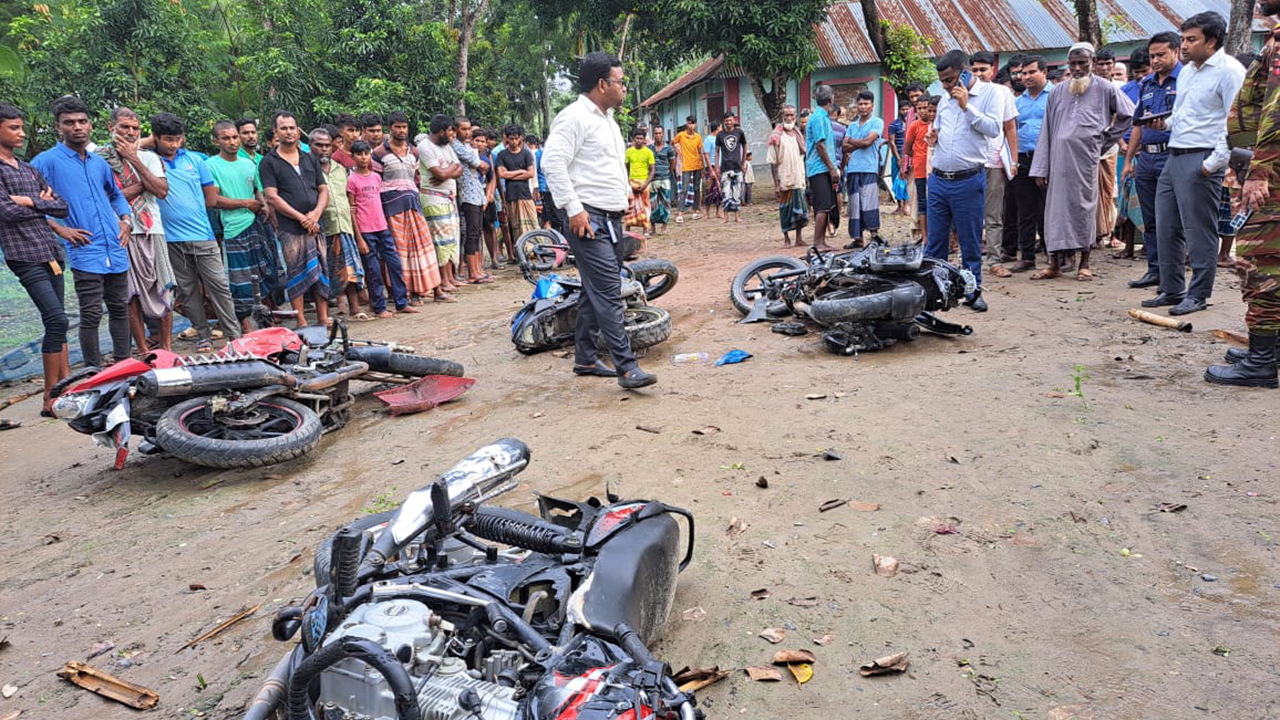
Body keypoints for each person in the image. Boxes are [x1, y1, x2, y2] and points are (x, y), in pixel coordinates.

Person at [542, 51, 657, 390]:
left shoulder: (606, 120)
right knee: (609, 292)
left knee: (594, 292)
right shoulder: (574, 117)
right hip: (588, 218)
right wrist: (574, 209)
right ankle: (627, 367)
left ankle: (586, 357)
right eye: (621, 82)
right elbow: (552, 163)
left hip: (611, 218)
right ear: (603, 83)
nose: (625, 89)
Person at [1140, 13, 1246, 315]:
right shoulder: (1188, 72)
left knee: (1200, 230)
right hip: (1174, 155)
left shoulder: (1230, 71)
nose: (1183, 46)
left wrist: (1212, 164)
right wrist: (1165, 124)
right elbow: (1185, 114)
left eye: (1191, 40)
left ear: (1211, 41)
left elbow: (1234, 123)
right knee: (1166, 225)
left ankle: (1198, 294)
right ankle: (1171, 289)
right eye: (1183, 39)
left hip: (1201, 157)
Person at [1208, 0, 1280, 386]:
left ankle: (1261, 362)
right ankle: (1272, 348)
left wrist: (1260, 169)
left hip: (1272, 176)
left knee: (1260, 263)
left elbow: (1276, 110)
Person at [32, 96, 133, 367]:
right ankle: (93, 371)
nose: (77, 127)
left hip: (115, 246)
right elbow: (33, 204)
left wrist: (126, 221)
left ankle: (125, 364)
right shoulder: (46, 162)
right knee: (90, 313)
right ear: (58, 127)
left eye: (82, 121)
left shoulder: (99, 162)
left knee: (120, 309)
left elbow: (116, 195)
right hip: (85, 248)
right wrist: (60, 230)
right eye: (69, 123)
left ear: (90, 125)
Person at [1029, 43, 1134, 281]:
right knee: (1054, 211)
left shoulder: (1106, 88)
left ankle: (1084, 263)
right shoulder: (1057, 91)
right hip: (1057, 160)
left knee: (1084, 208)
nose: (1077, 68)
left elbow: (1129, 114)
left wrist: (1104, 141)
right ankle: (1054, 263)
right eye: (1073, 63)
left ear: (1093, 62)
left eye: (1082, 63)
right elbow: (1046, 130)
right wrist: (1041, 167)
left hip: (1086, 160)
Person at [0, 102, 71, 415]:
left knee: (57, 322)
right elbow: (5, 212)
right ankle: (49, 397)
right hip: (23, 254)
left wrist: (30, 200)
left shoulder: (28, 169)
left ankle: (67, 387)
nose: (21, 133)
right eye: (14, 128)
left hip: (50, 251)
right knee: (57, 319)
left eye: (21, 127)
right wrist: (40, 204)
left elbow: (62, 206)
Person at [148, 112, 240, 351]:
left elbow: (211, 198)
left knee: (219, 286)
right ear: (155, 137)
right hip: (171, 240)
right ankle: (203, 334)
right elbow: (114, 151)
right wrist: (147, 142)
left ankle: (234, 335)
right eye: (168, 139)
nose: (174, 144)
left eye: (178, 138)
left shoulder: (195, 160)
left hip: (202, 236)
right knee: (188, 291)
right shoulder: (147, 160)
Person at [926, 50, 1004, 311]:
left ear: (966, 71)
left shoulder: (991, 94)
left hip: (968, 180)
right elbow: (937, 128)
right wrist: (933, 138)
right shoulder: (944, 101)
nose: (946, 86)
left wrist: (966, 106)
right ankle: (934, 291)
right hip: (938, 180)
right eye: (943, 82)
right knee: (935, 241)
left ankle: (973, 291)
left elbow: (994, 129)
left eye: (950, 80)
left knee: (970, 240)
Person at [97, 106, 175, 353]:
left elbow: (161, 191)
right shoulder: (99, 159)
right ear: (111, 128)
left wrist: (133, 159)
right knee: (129, 294)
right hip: (120, 231)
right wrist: (143, 185)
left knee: (164, 286)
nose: (130, 132)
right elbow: (104, 198)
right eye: (124, 127)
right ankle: (143, 350)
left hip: (153, 229)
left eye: (135, 128)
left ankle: (167, 348)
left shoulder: (150, 157)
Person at [206, 119, 280, 332]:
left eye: (234, 137)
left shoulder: (249, 163)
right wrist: (246, 203)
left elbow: (257, 190)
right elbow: (214, 200)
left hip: (257, 225)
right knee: (240, 281)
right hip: (233, 229)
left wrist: (263, 205)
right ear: (216, 141)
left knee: (267, 272)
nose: (232, 142)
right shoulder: (211, 166)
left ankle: (266, 319)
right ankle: (245, 325)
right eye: (226, 138)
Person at [259, 111, 330, 328]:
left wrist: (316, 214)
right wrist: (301, 217)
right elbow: (272, 196)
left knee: (320, 269)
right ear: (276, 132)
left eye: (292, 128)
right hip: (290, 227)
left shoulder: (309, 158)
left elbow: (323, 189)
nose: (289, 132)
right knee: (296, 271)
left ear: (298, 131)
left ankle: (322, 316)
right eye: (284, 128)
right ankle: (300, 319)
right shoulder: (269, 162)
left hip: (315, 224)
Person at [1124, 33, 1181, 288]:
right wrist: (1128, 161)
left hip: (1173, 155)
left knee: (1171, 219)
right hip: (1146, 157)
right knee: (1150, 219)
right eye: (1152, 56)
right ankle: (1155, 269)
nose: (1156, 60)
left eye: (1161, 55)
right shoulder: (1146, 84)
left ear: (1176, 52)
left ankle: (1173, 277)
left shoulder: (1186, 80)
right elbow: (1137, 124)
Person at [375, 111, 449, 302]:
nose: (401, 130)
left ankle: (431, 289)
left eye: (404, 126)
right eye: (397, 126)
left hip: (413, 205)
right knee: (400, 251)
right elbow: (376, 183)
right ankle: (404, 293)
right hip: (391, 208)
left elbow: (416, 180)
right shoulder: (379, 153)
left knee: (423, 247)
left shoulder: (414, 152)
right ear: (390, 128)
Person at [347, 140, 411, 319]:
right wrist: (359, 237)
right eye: (359, 154)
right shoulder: (352, 180)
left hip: (382, 227)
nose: (363, 157)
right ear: (353, 157)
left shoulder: (376, 177)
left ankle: (401, 302)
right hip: (366, 230)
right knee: (373, 270)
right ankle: (379, 307)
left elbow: (379, 203)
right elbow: (352, 209)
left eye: (366, 153)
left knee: (395, 264)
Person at [970, 51, 1020, 277]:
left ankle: (994, 260)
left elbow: (1010, 127)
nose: (979, 74)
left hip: (995, 160)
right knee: (969, 214)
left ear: (992, 70)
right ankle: (968, 259)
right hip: (969, 162)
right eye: (975, 70)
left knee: (994, 214)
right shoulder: (965, 94)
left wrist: (1014, 159)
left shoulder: (1002, 93)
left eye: (983, 69)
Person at [312, 128, 366, 320]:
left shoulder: (340, 169)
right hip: (322, 228)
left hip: (344, 225)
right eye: (319, 145)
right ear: (311, 147)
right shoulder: (308, 169)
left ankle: (355, 308)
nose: (324, 149)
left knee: (349, 270)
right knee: (325, 272)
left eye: (327, 145)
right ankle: (325, 315)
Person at [1007, 56, 1052, 273]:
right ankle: (1027, 256)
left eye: (1031, 72)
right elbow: (1011, 130)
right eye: (1023, 73)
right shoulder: (1018, 102)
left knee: (1050, 208)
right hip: (1023, 158)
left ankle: (1055, 255)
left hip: (1049, 158)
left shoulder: (1056, 97)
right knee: (1025, 210)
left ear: (1044, 72)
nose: (1025, 77)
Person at [418, 114, 465, 291]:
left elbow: (457, 169)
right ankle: (442, 281)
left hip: (448, 197)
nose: (452, 135)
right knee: (441, 240)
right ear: (441, 131)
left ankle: (451, 277)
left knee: (452, 238)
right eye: (450, 131)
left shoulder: (446, 146)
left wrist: (447, 172)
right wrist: (447, 172)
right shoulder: (425, 147)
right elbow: (441, 174)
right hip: (434, 198)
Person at [452, 116, 492, 284]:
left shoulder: (466, 146)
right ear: (455, 130)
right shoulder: (456, 146)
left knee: (475, 232)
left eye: (469, 129)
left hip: (476, 192)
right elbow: (479, 163)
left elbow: (485, 167)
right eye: (464, 129)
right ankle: (473, 272)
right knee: (472, 233)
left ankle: (477, 269)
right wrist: (478, 163)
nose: (467, 132)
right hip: (467, 194)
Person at [841, 90, 884, 248]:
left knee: (869, 202)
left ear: (872, 106)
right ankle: (858, 239)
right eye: (860, 104)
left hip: (869, 169)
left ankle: (874, 237)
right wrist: (858, 142)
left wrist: (851, 140)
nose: (863, 107)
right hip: (852, 169)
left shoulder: (877, 122)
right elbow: (844, 148)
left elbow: (868, 142)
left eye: (866, 103)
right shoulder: (852, 125)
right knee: (854, 204)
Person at [767, 104, 807, 247]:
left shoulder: (798, 135)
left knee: (800, 210)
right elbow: (772, 162)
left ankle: (799, 238)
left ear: (795, 117)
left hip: (798, 177)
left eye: (792, 115)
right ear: (782, 117)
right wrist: (777, 184)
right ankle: (786, 239)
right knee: (785, 210)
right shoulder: (776, 137)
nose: (789, 118)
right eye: (786, 115)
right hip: (784, 178)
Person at [496, 124, 539, 260]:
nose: (514, 141)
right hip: (511, 196)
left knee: (531, 223)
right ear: (506, 139)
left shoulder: (526, 153)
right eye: (510, 139)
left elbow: (530, 173)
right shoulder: (502, 154)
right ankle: (520, 253)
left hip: (525, 195)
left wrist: (513, 174)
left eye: (516, 138)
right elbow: (502, 174)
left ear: (520, 138)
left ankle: (532, 251)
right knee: (515, 226)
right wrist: (521, 171)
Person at [806, 84, 840, 250]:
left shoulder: (822, 117)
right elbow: (820, 145)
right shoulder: (819, 118)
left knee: (826, 206)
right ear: (831, 99)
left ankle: (821, 241)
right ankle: (818, 242)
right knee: (822, 206)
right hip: (819, 168)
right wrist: (832, 168)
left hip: (823, 167)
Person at [903, 96, 936, 242]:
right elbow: (907, 148)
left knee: (936, 203)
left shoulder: (936, 125)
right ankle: (925, 237)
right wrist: (918, 156)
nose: (923, 112)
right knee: (922, 203)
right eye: (919, 108)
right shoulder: (914, 126)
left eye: (925, 108)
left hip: (935, 170)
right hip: (920, 170)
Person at [672, 116, 704, 221]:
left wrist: (703, 166)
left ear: (696, 124)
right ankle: (680, 213)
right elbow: (672, 143)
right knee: (684, 189)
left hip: (697, 165)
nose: (691, 126)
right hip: (686, 165)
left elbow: (700, 152)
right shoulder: (681, 135)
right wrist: (679, 152)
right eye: (689, 123)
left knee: (696, 189)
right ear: (686, 124)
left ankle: (694, 211)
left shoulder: (698, 137)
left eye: (693, 123)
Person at [624, 128, 654, 235]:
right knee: (630, 206)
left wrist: (645, 184)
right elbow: (625, 168)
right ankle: (627, 229)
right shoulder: (628, 152)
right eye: (637, 138)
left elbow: (652, 170)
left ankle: (645, 230)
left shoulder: (648, 152)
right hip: (631, 182)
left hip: (644, 183)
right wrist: (627, 183)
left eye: (641, 138)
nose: (639, 140)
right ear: (633, 139)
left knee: (645, 206)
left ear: (644, 140)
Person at [717, 114, 747, 222]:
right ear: (724, 122)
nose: (728, 123)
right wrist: (716, 166)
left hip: (737, 167)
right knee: (725, 193)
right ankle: (726, 217)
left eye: (730, 120)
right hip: (725, 167)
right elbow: (716, 151)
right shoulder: (720, 135)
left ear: (734, 120)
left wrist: (743, 163)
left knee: (737, 192)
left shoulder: (739, 133)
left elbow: (744, 146)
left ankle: (737, 216)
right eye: (726, 121)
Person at [886, 97, 912, 216]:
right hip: (897, 155)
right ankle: (899, 205)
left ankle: (907, 204)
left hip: (910, 155)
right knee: (895, 180)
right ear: (899, 111)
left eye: (907, 109)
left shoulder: (913, 123)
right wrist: (898, 158)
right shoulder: (894, 124)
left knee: (907, 179)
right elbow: (891, 142)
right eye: (903, 110)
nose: (905, 112)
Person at [649, 126, 676, 231]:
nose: (658, 135)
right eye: (656, 133)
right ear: (653, 135)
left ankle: (664, 224)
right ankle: (653, 226)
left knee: (665, 202)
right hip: (653, 179)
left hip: (665, 178)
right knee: (653, 203)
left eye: (660, 133)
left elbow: (672, 163)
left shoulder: (668, 148)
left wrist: (668, 172)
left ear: (663, 134)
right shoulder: (649, 148)